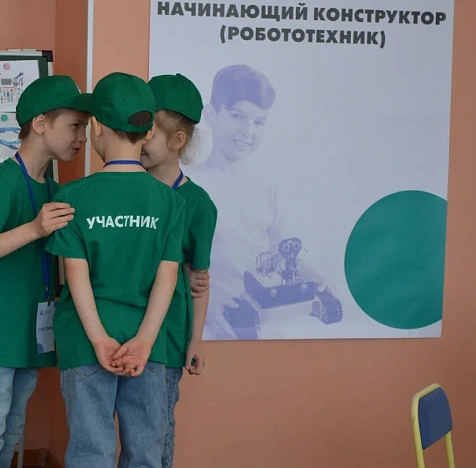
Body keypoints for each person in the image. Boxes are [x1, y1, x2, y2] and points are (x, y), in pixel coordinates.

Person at [45, 72, 185, 468]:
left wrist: (99, 339)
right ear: (148, 132)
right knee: (146, 452)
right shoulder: (169, 201)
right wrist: (143, 340)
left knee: (91, 451)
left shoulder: (73, 196)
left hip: (85, 341)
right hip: (148, 345)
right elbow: (168, 277)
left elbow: (76, 276)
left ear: (97, 129)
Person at [0, 75, 90, 468]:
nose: (81, 138)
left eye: (85, 128)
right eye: (75, 126)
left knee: (12, 431)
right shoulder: (3, 181)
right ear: (41, 123)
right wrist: (34, 229)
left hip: (31, 332)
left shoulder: (53, 189)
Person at [188, 64, 336, 341]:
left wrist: (314, 276)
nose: (247, 131)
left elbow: (283, 249)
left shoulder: (266, 188)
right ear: (211, 115)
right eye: (237, 116)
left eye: (259, 122)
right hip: (206, 328)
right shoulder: (188, 184)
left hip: (260, 326)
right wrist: (204, 302)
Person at [142, 73, 218, 468]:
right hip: (114, 333)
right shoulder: (123, 189)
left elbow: (199, 282)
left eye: (150, 131)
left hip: (166, 342)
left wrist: (195, 343)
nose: (140, 139)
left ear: (177, 141)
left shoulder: (198, 204)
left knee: (154, 434)